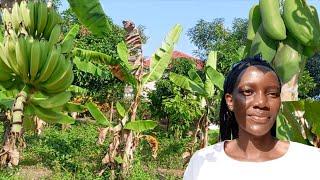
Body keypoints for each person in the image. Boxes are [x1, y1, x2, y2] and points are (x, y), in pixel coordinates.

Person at [183, 55, 320, 180]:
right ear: (230, 101)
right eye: (248, 92)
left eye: (272, 93)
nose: (261, 103)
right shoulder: (202, 163)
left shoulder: (311, 162)